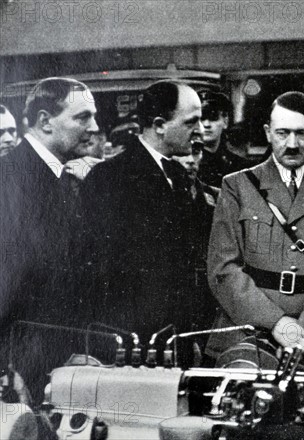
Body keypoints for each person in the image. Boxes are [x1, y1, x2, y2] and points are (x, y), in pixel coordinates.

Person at [206, 91, 304, 366]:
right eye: (282, 133)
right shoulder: (238, 186)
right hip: (247, 333)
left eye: (301, 134)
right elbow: (223, 267)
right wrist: (276, 323)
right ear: (267, 133)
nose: (291, 144)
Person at [80, 80, 211, 348]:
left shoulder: (177, 175)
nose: (200, 131)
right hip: (131, 343)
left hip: (174, 336)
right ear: (160, 125)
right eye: (191, 122)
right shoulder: (109, 178)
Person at [0, 77, 99, 403]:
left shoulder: (63, 178)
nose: (95, 127)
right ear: (44, 121)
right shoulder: (9, 179)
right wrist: (5, 371)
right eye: (83, 117)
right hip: (20, 370)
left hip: (57, 362)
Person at [197, 91, 253, 187]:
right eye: (201, 119)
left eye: (213, 118)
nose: (206, 124)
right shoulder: (186, 163)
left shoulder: (239, 166)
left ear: (225, 121)